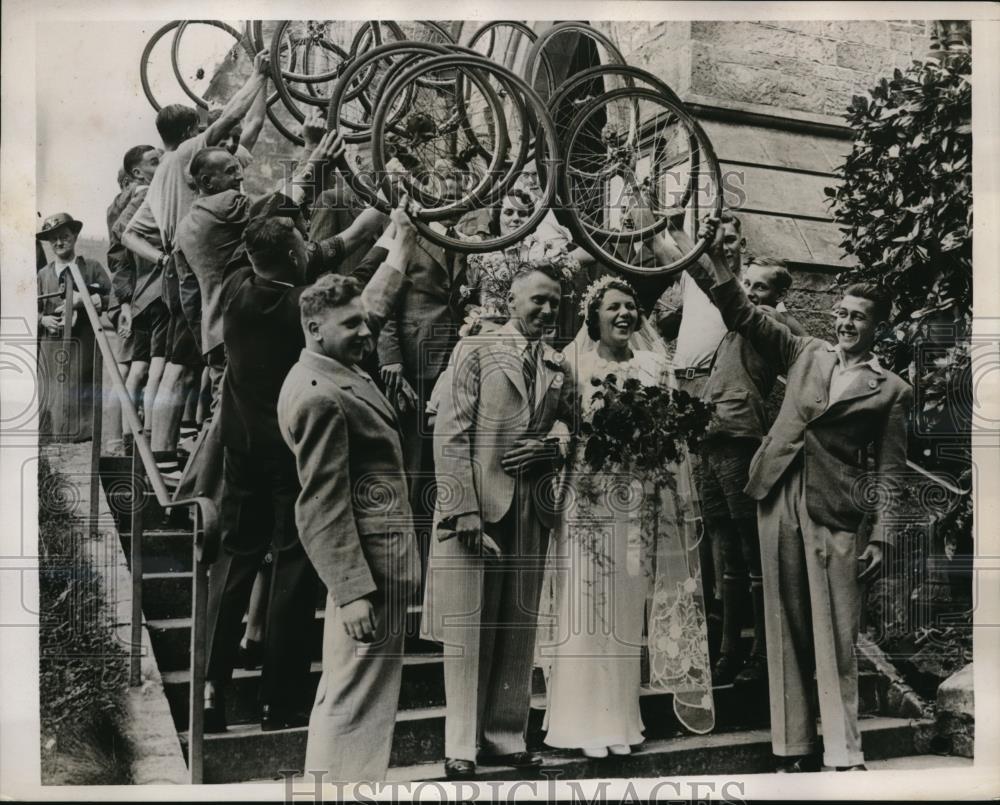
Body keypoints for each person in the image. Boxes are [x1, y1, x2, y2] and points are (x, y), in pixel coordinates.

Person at [686, 216, 912, 772]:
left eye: (858, 318)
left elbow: (889, 471)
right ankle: (794, 746)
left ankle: (844, 748)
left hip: (834, 510)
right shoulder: (805, 351)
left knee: (836, 629)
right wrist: (717, 261)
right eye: (842, 314)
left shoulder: (890, 390)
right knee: (783, 624)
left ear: (876, 327)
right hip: (776, 494)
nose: (846, 324)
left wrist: (880, 535)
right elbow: (740, 313)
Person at [201, 141, 391, 734]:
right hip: (291, 453)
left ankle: (210, 689)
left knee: (233, 565)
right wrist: (392, 226)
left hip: (239, 449)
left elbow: (272, 228)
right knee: (290, 571)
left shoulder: (234, 286)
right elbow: (353, 259)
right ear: (298, 256)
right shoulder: (300, 309)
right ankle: (278, 703)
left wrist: (310, 170)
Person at [540, 276, 715, 758]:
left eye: (630, 307)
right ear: (592, 316)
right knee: (587, 603)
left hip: (639, 502)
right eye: (612, 307)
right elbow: (555, 424)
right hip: (588, 499)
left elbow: (672, 442)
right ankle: (581, 725)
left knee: (624, 606)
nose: (623, 314)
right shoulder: (571, 364)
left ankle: (620, 719)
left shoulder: (655, 366)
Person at [276, 203, 422, 781]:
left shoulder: (333, 358)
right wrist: (352, 591)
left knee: (354, 696)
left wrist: (401, 242)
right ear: (315, 328)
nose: (368, 332)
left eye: (364, 323)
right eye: (353, 326)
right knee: (353, 703)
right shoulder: (318, 394)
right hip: (367, 576)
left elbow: (375, 306)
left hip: (380, 567)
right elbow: (320, 505)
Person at [421, 261, 576, 780]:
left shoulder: (557, 365)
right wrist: (461, 508)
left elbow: (572, 428)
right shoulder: (475, 350)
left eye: (555, 301)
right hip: (477, 510)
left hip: (530, 509)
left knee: (517, 623)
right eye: (538, 299)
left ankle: (505, 736)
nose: (548, 309)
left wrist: (550, 447)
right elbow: (451, 433)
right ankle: (460, 743)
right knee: (469, 626)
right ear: (511, 301)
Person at [122, 48, 271, 461]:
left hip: (179, 265)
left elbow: (252, 124)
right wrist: (259, 77)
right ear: (193, 131)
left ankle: (159, 444)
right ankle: (164, 453)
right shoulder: (188, 157)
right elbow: (231, 119)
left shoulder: (171, 172)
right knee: (184, 364)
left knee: (180, 359)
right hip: (195, 267)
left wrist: (159, 258)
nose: (223, 137)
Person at [36, 213, 111, 442]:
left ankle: (84, 439)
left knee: (82, 388)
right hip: (51, 347)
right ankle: (51, 439)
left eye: (64, 236)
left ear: (74, 236)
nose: (59, 243)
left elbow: (112, 298)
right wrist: (43, 320)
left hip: (84, 347)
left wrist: (85, 300)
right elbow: (30, 309)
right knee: (50, 392)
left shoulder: (91, 267)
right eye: (54, 239)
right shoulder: (42, 275)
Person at [109, 145, 165, 445]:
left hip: (136, 291)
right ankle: (129, 440)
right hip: (140, 289)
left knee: (136, 367)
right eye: (154, 162)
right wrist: (124, 300)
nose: (161, 166)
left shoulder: (124, 197)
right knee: (140, 366)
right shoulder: (142, 194)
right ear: (136, 173)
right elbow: (121, 238)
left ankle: (126, 439)